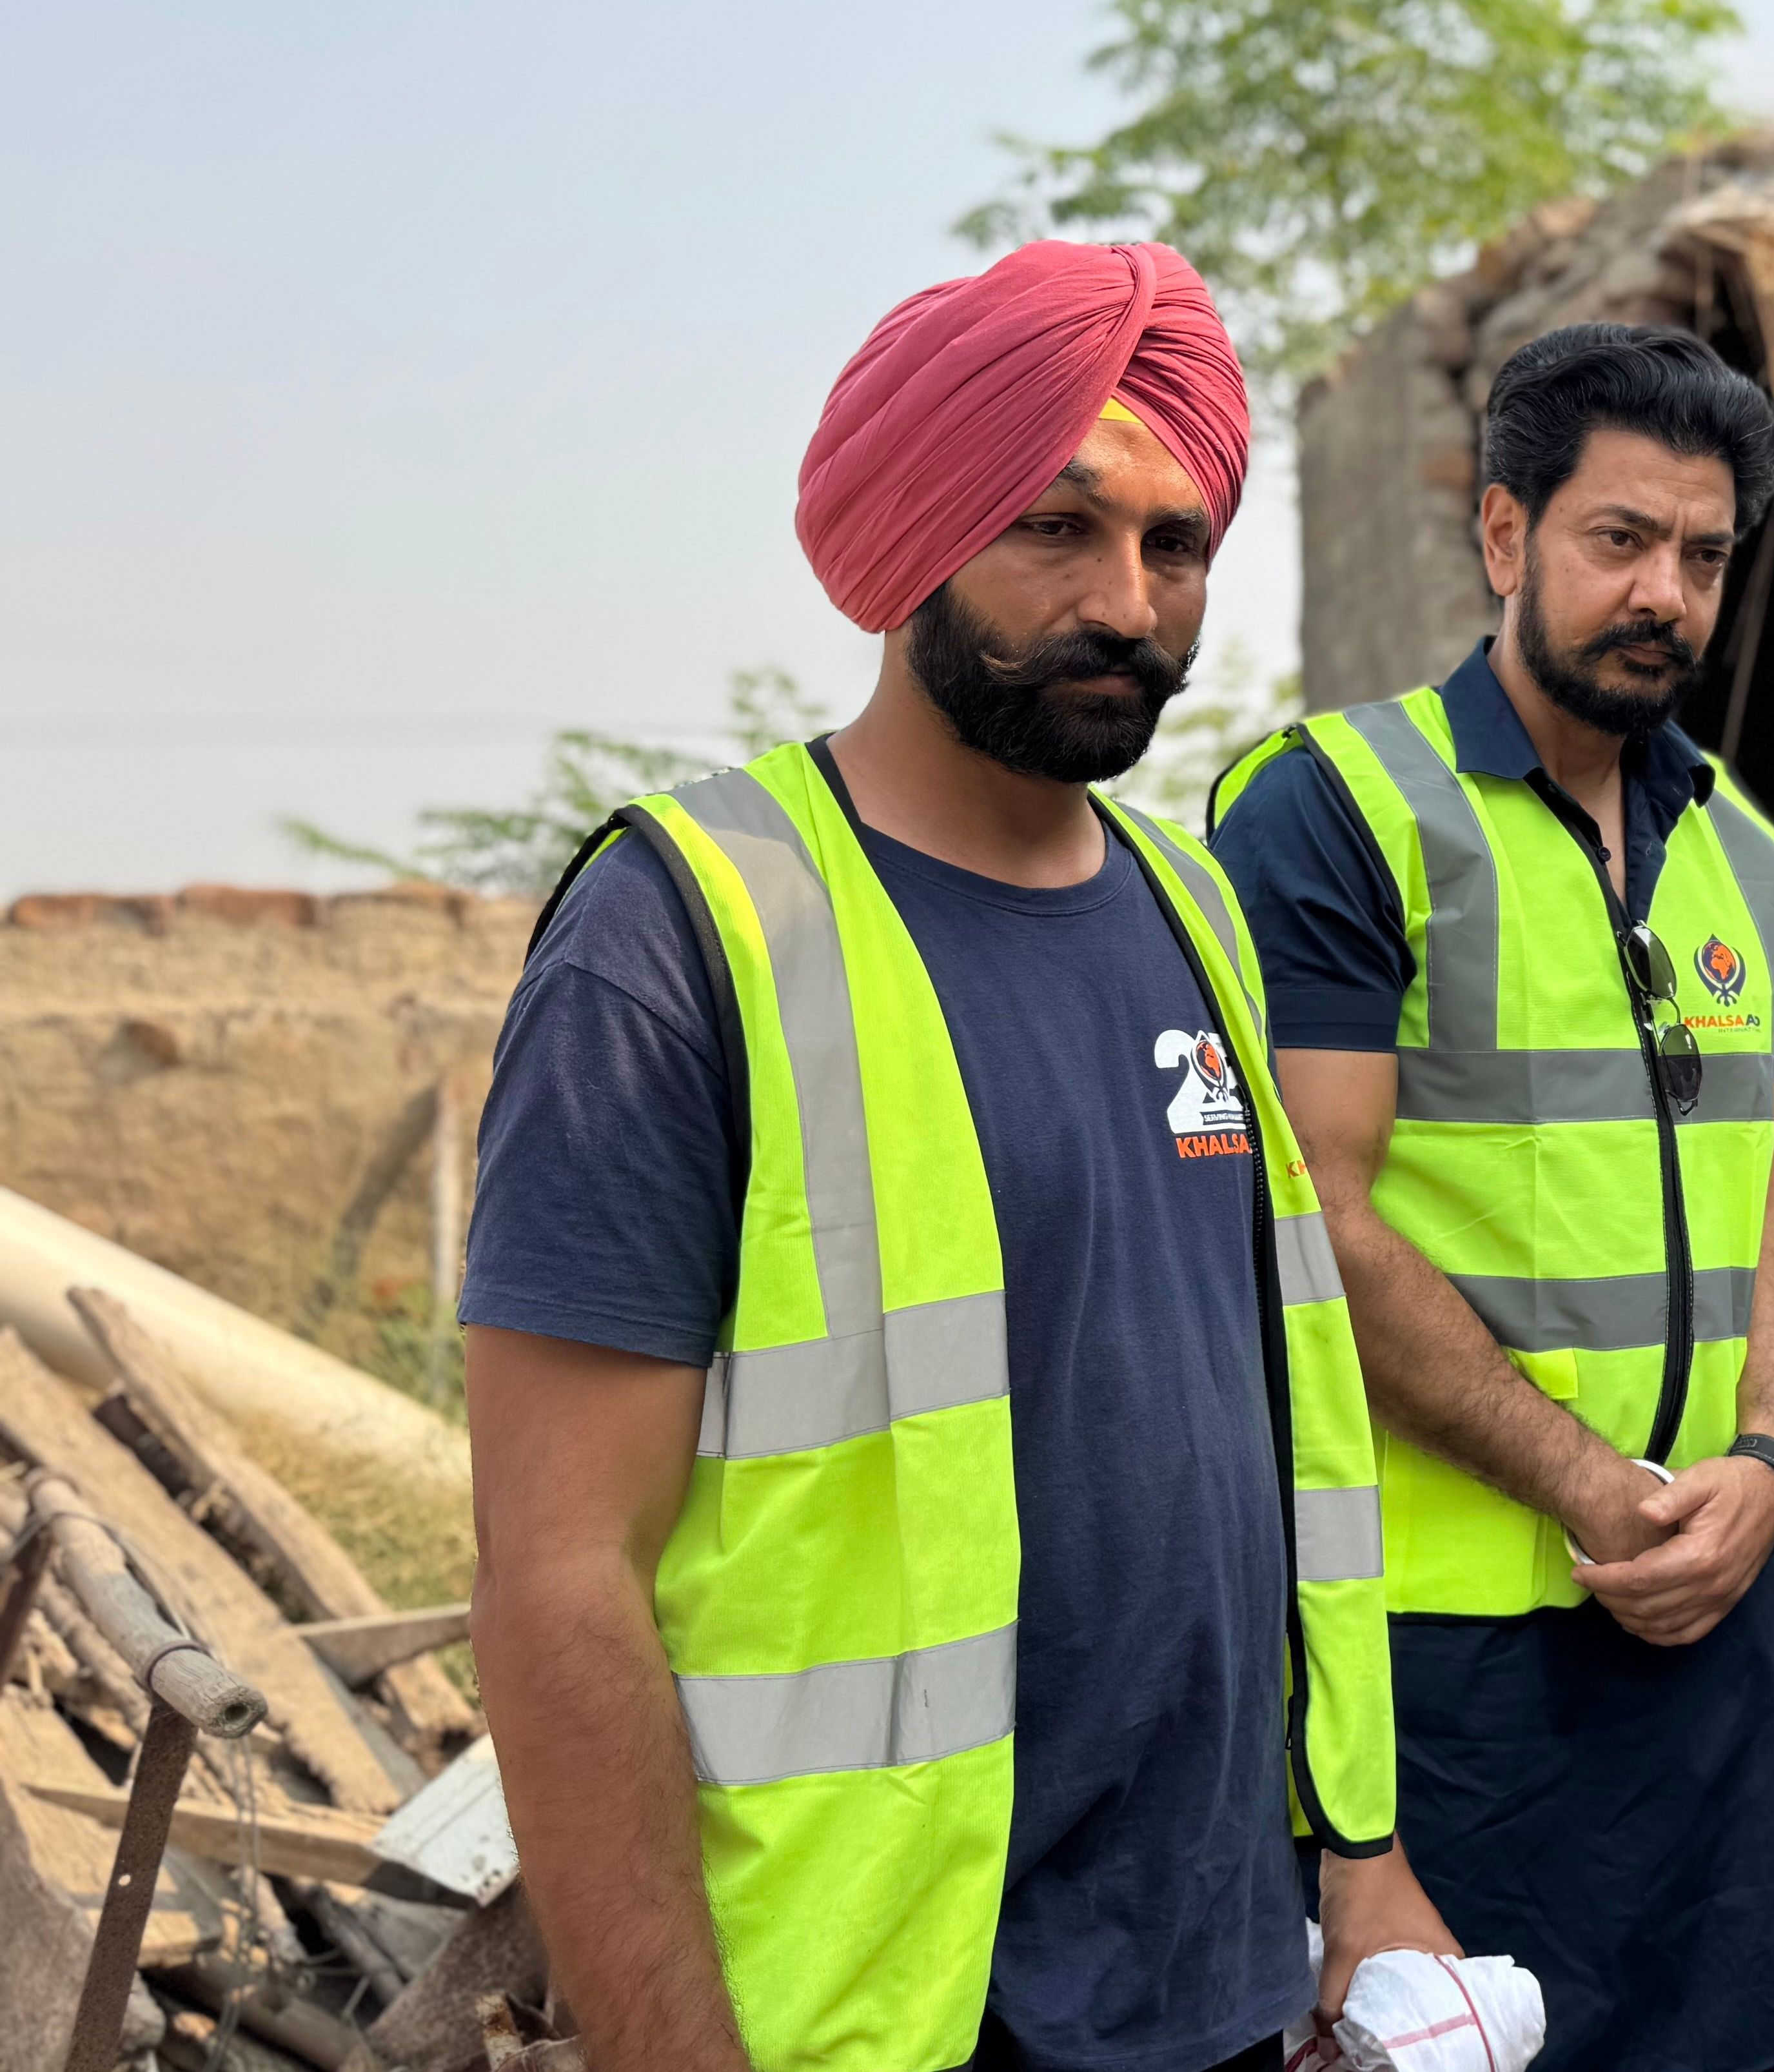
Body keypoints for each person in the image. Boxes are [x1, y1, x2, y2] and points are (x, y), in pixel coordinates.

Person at [463, 240, 1451, 2072]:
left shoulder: (1193, 909)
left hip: (1223, 1974)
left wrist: (1365, 1859)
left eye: (1177, 548)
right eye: (1057, 528)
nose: (1128, 600)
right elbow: (553, 1573)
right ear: (916, 529)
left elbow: (1287, 1435)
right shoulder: (682, 935)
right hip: (876, 2005)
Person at [1207, 322, 1774, 2072]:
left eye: (1705, 555)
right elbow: (1308, 1213)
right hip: (1452, 1650)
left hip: (1710, 1592)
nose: (1664, 591)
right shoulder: (1336, 811)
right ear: (1506, 537)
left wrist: (1769, 1459)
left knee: (1742, 2034)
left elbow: (1771, 1152)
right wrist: (1599, 1483)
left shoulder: (1742, 841)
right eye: (1618, 539)